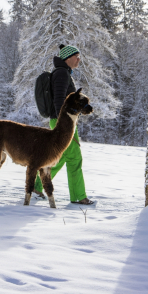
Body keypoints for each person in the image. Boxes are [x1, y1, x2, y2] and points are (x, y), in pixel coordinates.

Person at [34, 44, 94, 205]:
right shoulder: (61, 74)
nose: (79, 59)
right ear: (68, 58)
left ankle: (36, 186)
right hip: (63, 124)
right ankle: (79, 196)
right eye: (77, 56)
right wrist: (66, 123)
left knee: (59, 158)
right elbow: (59, 100)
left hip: (64, 122)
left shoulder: (64, 73)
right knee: (74, 158)